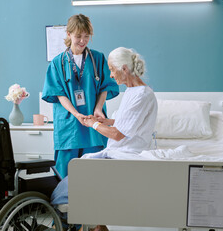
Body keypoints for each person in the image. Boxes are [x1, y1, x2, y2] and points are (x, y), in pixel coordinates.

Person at [51, 47, 158, 231]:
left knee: (63, 193)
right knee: (73, 184)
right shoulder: (132, 92)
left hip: (125, 155)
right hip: (117, 152)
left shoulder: (142, 94)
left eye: (112, 69)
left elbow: (117, 134)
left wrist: (93, 125)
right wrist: (105, 121)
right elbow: (127, 122)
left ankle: (85, 225)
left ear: (124, 69)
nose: (110, 75)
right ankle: (98, 226)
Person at [42, 14, 119, 178]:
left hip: (93, 124)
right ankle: (65, 205)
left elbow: (105, 86)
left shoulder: (98, 58)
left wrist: (98, 108)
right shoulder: (58, 62)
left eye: (86, 36)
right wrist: (76, 114)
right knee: (65, 175)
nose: (83, 41)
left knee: (96, 175)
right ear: (69, 34)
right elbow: (59, 94)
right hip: (69, 124)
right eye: (78, 36)